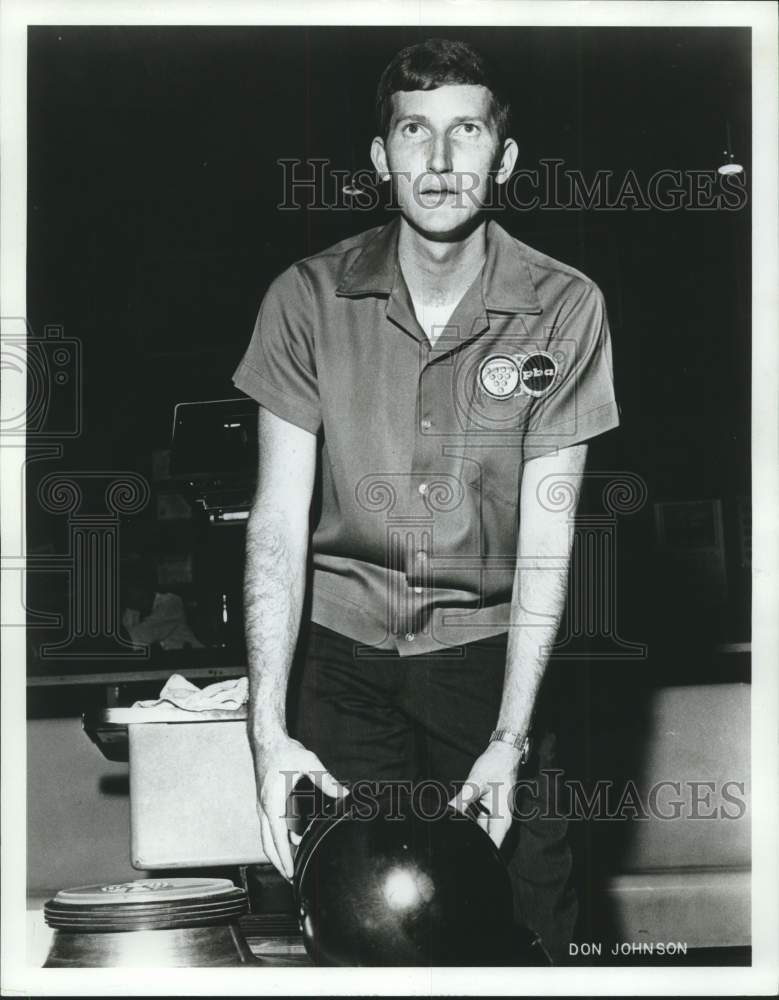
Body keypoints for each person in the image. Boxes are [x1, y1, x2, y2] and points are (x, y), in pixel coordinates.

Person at [232, 37, 619, 963]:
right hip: (340, 662)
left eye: (466, 132)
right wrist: (267, 732)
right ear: (381, 156)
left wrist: (510, 740)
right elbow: (276, 526)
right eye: (414, 132)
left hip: (490, 661)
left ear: (504, 158)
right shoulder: (305, 298)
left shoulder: (565, 306)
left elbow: (547, 541)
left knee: (532, 931)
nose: (440, 161)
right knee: (364, 933)